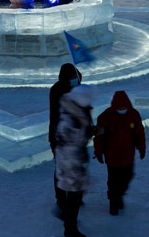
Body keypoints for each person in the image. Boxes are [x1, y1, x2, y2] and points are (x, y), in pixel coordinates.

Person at [94, 90, 146, 216]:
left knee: (127, 177)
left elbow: (139, 133)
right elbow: (99, 137)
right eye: (119, 108)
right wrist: (99, 152)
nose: (122, 110)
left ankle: (119, 195)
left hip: (128, 155)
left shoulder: (133, 115)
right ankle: (113, 201)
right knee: (113, 181)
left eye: (124, 107)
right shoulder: (105, 117)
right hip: (112, 156)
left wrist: (141, 147)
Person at [55, 84, 95, 237]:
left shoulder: (76, 112)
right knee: (74, 198)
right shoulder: (71, 121)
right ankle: (70, 229)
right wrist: (78, 168)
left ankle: (65, 215)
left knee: (75, 196)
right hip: (72, 165)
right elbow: (71, 146)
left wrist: (92, 131)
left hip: (74, 163)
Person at [49, 62, 83, 215]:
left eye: (76, 77)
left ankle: (75, 196)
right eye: (72, 78)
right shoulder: (57, 91)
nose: (75, 80)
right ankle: (61, 200)